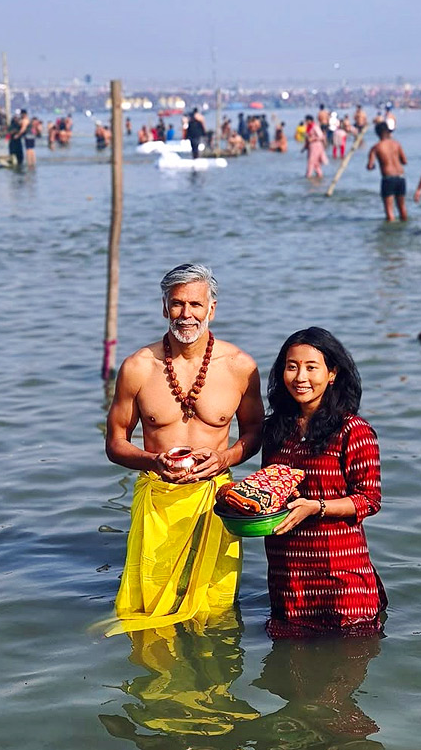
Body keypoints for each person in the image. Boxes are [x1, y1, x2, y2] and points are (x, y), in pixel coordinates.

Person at [104, 263, 264, 635]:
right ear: (164, 307)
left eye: (195, 304)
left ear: (212, 308)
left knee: (215, 612)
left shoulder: (240, 366)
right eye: (177, 304)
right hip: (159, 502)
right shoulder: (138, 367)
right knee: (150, 610)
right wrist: (152, 461)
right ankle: (157, 686)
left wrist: (225, 458)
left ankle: (211, 685)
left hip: (216, 501)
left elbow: (255, 433)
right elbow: (114, 443)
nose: (186, 314)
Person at [261, 326, 388, 639]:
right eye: (292, 367)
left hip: (339, 575)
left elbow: (369, 500)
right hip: (287, 575)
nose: (300, 377)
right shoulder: (277, 429)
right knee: (289, 676)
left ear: (332, 374)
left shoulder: (353, 431)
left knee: (345, 669)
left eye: (311, 367)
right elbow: (271, 486)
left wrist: (316, 507)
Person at [366, 122, 408, 221]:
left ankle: (390, 233)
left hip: (388, 178)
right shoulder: (397, 144)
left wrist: (373, 167)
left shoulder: (376, 147)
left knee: (389, 210)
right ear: (388, 132)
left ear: (377, 134)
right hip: (400, 177)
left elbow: (370, 166)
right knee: (402, 207)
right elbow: (404, 161)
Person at [303, 113, 328, 178]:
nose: (306, 122)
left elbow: (321, 136)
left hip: (316, 146)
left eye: (306, 120)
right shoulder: (308, 128)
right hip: (311, 146)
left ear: (310, 120)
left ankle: (308, 175)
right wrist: (305, 147)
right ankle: (319, 175)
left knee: (311, 161)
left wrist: (313, 139)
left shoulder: (315, 127)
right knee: (316, 163)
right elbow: (307, 138)